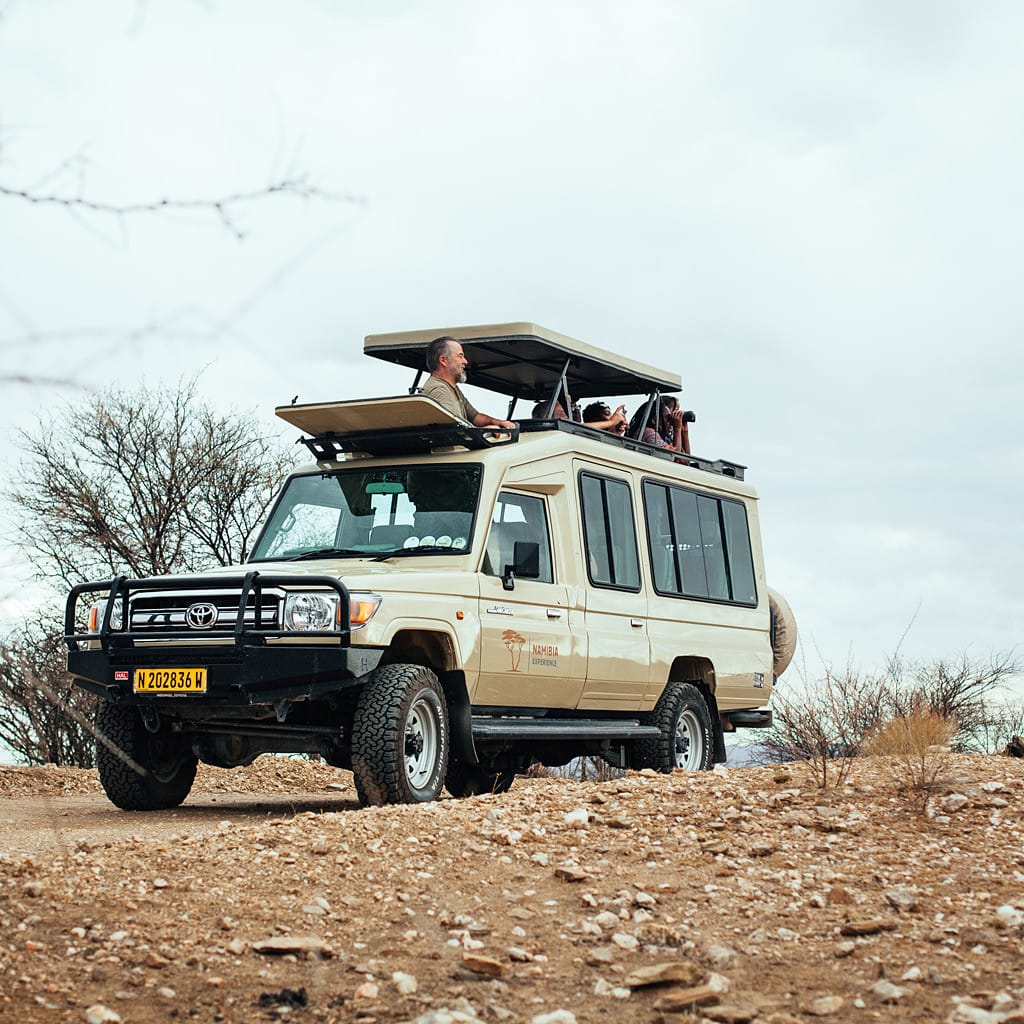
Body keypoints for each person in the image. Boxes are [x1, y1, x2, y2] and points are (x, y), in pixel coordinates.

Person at [422, 336, 515, 429]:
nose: (465, 361)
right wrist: (487, 430)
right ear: (443, 360)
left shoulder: (450, 387)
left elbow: (474, 417)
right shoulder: (439, 390)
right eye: (460, 356)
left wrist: (497, 422)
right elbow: (452, 430)